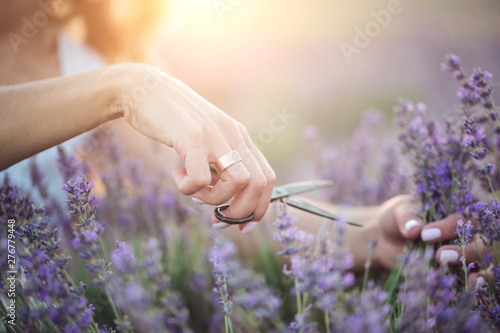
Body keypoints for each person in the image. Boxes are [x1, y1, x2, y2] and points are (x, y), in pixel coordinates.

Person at [0, 1, 488, 287]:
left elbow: (212, 206)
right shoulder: (112, 81)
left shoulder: (88, 56)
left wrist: (365, 232)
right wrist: (118, 89)